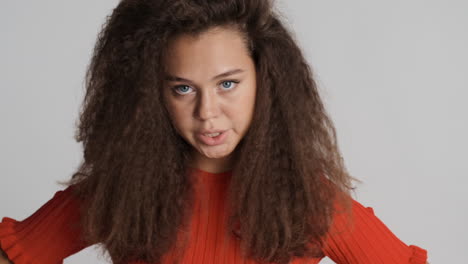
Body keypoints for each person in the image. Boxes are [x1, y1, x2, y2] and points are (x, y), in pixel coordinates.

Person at [0, 0, 428, 263]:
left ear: (266, 78)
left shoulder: (311, 201)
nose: (208, 113)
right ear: (153, 95)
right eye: (183, 88)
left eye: (228, 83)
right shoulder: (118, 190)